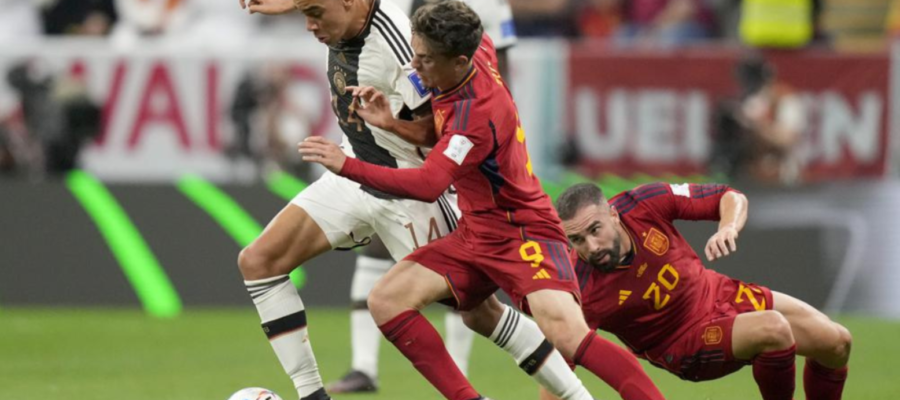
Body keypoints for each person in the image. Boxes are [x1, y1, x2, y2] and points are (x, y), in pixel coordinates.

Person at [299, 2, 665, 399]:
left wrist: (345, 165)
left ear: (458, 61)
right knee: (387, 300)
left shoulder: (476, 114)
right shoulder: (477, 52)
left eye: (423, 61)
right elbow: (441, 135)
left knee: (569, 336)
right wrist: (392, 123)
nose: (414, 68)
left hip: (523, 232)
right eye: (415, 54)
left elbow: (429, 183)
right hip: (476, 233)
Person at [236, 0, 597, 399]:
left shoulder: (400, 47)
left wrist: (391, 124)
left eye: (316, 14)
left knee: (480, 313)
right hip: (354, 167)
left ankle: (575, 395)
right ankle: (311, 395)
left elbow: (440, 128)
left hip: (409, 191)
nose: (310, 26)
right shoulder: (342, 17)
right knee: (259, 261)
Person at [329, 0, 515, 393]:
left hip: (465, 143)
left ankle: (461, 369)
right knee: (383, 251)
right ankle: (364, 366)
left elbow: (499, 66)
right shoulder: (396, 8)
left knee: (463, 268)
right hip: (413, 140)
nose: (416, 61)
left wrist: (484, 126)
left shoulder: (485, 6)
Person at [554, 182, 852, 400]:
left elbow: (730, 197)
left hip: (717, 292)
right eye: (577, 240)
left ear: (614, 215)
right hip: (683, 344)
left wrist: (728, 227)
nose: (590, 247)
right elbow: (556, 369)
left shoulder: (643, 203)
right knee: (773, 329)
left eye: (595, 230)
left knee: (837, 343)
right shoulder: (578, 288)